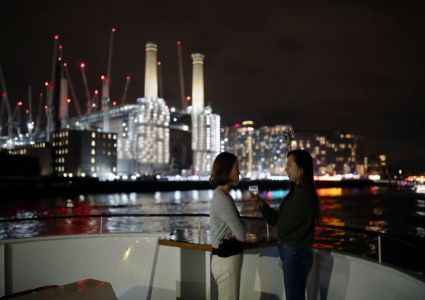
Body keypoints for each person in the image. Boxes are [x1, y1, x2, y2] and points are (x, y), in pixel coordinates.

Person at [252, 149, 318, 300]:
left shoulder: (303, 196)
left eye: (289, 165)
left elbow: (281, 224)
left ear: (301, 169)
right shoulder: (298, 192)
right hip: (294, 252)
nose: (285, 169)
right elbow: (279, 220)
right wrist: (261, 204)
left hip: (295, 254)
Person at [210, 152, 246, 300]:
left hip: (225, 260)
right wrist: (237, 230)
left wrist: (234, 230)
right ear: (227, 171)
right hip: (227, 262)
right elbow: (242, 233)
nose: (239, 171)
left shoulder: (221, 195)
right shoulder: (223, 198)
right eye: (236, 168)